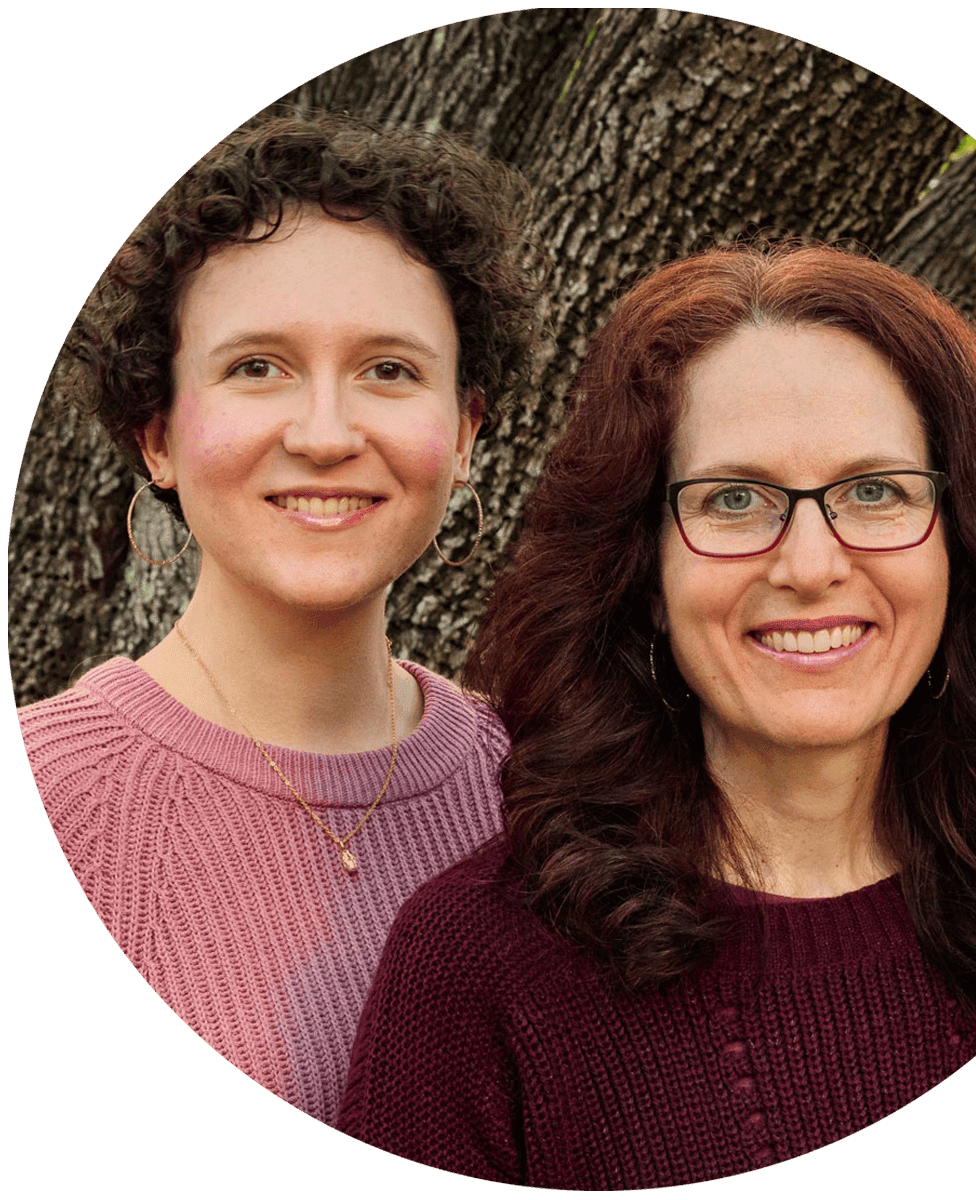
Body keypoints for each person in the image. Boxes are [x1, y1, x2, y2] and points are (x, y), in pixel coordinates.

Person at [337, 243, 976, 1186]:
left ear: (964, 546)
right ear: (641, 572)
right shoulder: (481, 968)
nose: (809, 565)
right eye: (733, 500)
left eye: (875, 491)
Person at [17, 113, 542, 1125]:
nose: (327, 433)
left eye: (390, 369)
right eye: (258, 366)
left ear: (465, 432)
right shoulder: (47, 803)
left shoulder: (554, 790)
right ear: (158, 433)